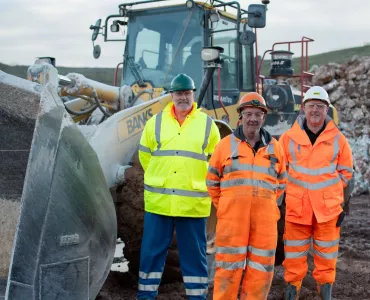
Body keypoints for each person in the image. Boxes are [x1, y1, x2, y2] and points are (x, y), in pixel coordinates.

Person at [136, 73, 221, 300]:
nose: (183, 97)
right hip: (159, 203)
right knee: (151, 255)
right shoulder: (155, 123)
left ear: (193, 94)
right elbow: (145, 157)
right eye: (179, 93)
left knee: (194, 257)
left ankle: (197, 297)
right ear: (171, 95)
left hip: (192, 204)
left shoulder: (207, 125)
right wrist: (161, 179)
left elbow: (217, 164)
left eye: (187, 93)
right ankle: (145, 296)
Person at [206, 92, 287, 300]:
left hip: (265, 223)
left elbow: (282, 183)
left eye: (257, 114)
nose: (253, 118)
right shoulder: (224, 146)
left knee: (260, 272)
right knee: (227, 270)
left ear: (264, 117)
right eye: (248, 113)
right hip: (232, 222)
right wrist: (227, 205)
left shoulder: (275, 148)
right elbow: (212, 182)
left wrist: (266, 204)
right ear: (240, 116)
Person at [279, 86, 353, 300]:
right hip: (297, 209)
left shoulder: (338, 139)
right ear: (303, 108)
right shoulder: (287, 138)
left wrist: (330, 190)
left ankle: (325, 292)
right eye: (311, 106)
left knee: (327, 256)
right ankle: (292, 290)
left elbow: (346, 171)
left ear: (326, 110)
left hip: (327, 211)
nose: (315, 111)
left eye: (320, 107)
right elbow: (279, 170)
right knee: (293, 256)